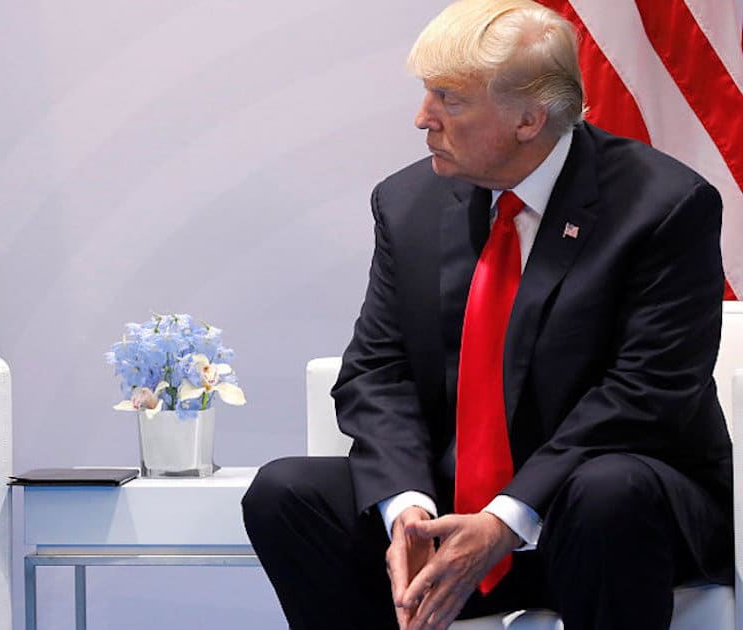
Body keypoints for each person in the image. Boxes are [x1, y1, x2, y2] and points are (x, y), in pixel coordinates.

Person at [241, 1, 731, 629]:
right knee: (287, 493)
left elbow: (645, 396)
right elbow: (376, 372)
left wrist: (507, 516)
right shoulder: (407, 201)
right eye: (427, 95)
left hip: (606, 517)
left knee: (608, 491)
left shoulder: (664, 206)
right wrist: (409, 508)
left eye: (449, 99)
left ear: (529, 119)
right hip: (457, 511)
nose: (423, 119)